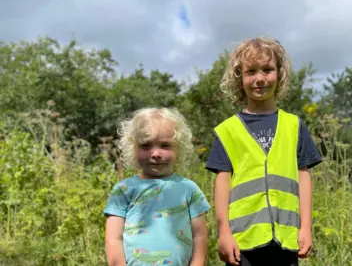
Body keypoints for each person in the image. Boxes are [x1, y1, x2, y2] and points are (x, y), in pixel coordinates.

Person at [205, 37, 322, 266]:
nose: (260, 78)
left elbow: (303, 176)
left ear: (279, 74)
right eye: (251, 72)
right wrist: (224, 233)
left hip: (286, 239)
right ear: (239, 79)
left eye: (267, 70)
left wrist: (305, 228)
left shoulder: (294, 126)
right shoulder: (227, 131)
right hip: (242, 240)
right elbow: (222, 183)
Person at [104, 107, 211, 266]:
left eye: (165, 145)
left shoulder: (188, 189)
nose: (155, 153)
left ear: (178, 149)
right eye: (146, 146)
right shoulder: (124, 190)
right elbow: (113, 238)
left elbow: (199, 236)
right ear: (133, 149)